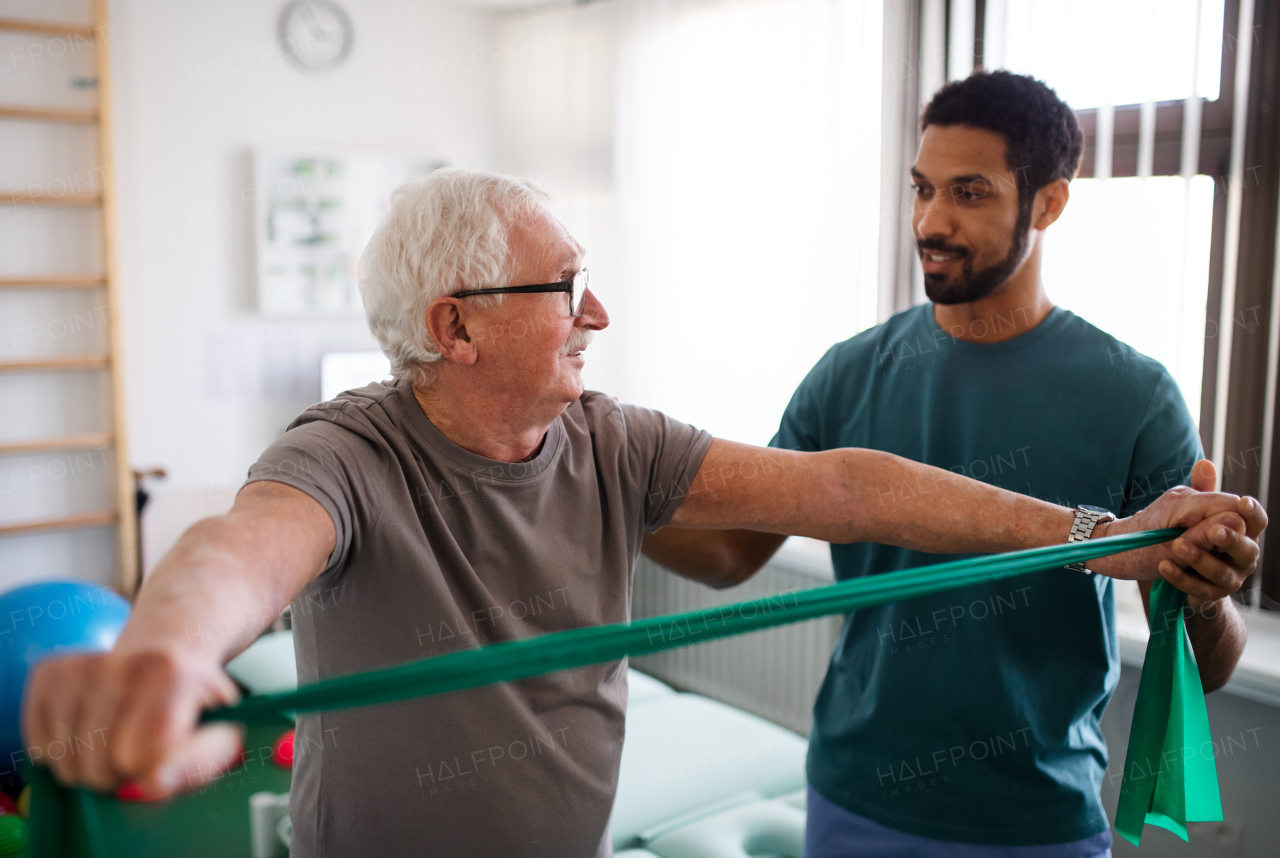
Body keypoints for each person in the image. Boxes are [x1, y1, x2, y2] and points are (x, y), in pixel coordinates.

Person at [23, 168, 1262, 858]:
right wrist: (167, 653)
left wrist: (1097, 539)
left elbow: (840, 484)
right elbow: (242, 550)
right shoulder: (347, 453)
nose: (597, 315)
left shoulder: (605, 436)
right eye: (567, 288)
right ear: (454, 325)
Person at [642, 71, 1261, 857]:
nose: (930, 221)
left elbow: (1204, 668)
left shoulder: (1134, 395)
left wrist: (1207, 596)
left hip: (1036, 821)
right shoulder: (849, 371)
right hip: (853, 798)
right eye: (922, 188)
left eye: (969, 194)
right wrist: (610, 491)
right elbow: (730, 553)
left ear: (1049, 203)